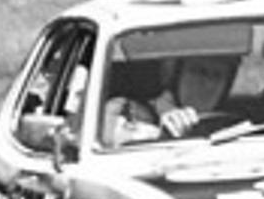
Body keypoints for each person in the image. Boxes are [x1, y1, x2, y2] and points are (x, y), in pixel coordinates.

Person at [101, 55, 240, 147]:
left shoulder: (234, 128)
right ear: (173, 73)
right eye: (199, 71)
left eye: (218, 76)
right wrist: (160, 139)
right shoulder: (125, 110)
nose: (208, 84)